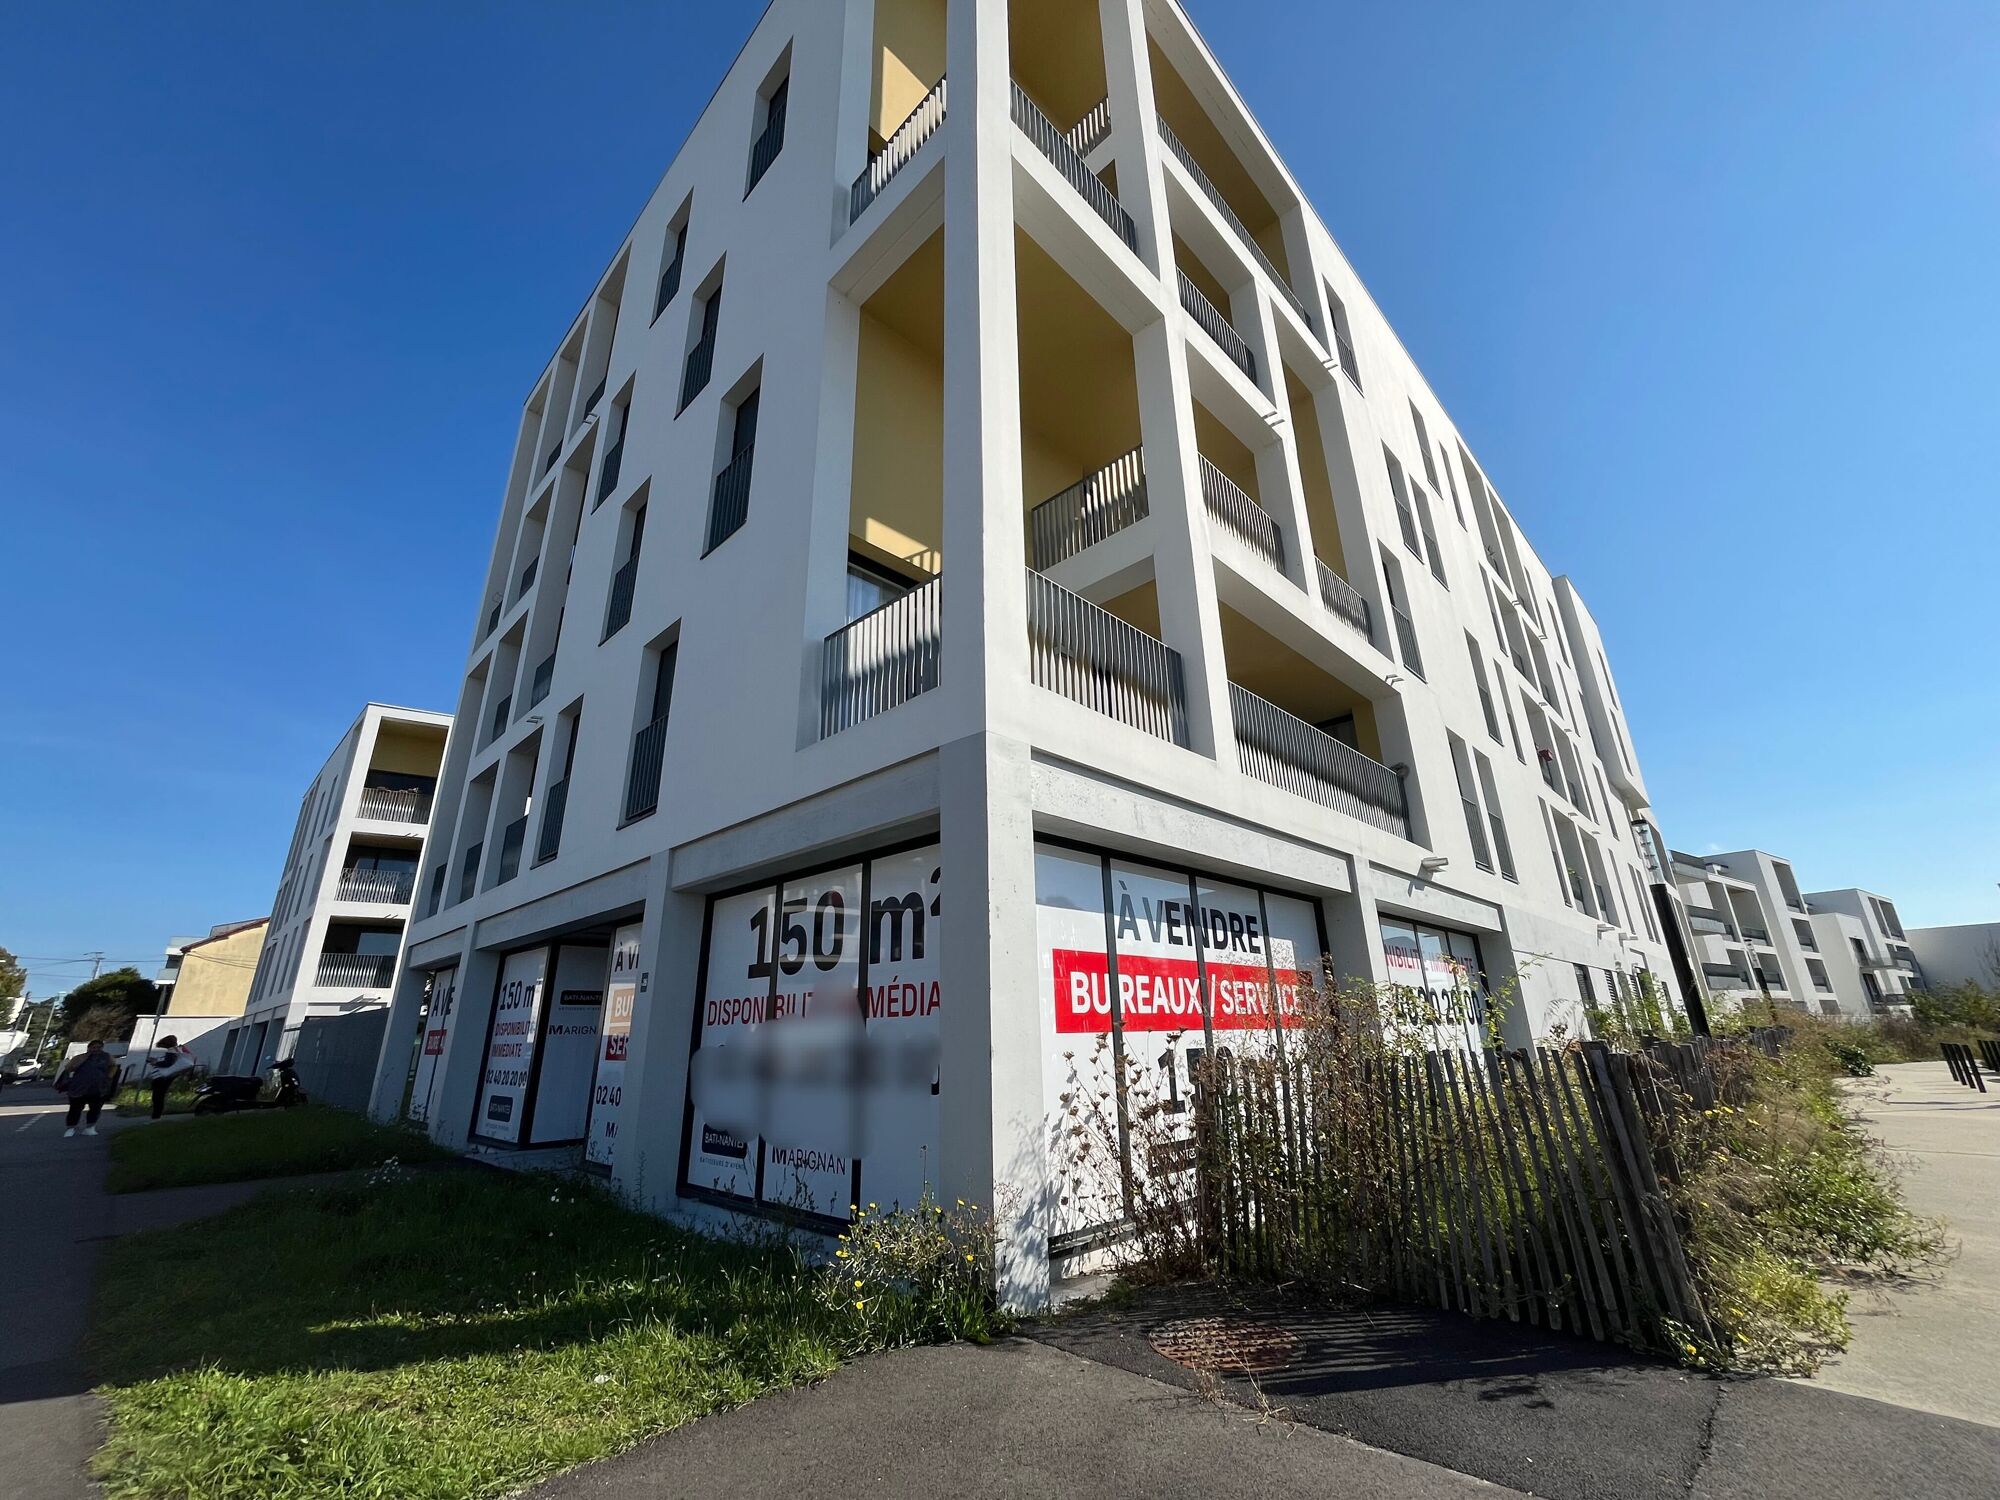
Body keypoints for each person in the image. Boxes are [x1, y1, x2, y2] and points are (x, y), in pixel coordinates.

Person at [54, 1040, 118, 1137]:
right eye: (93, 1047)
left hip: (98, 1087)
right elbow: (69, 1068)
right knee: (75, 1108)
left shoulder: (107, 1057)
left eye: (98, 1047)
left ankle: (90, 1127)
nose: (96, 1049)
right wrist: (78, 1063)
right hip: (78, 1087)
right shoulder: (80, 1057)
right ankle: (71, 1128)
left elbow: (113, 1067)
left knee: (95, 1108)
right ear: (89, 1048)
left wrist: (108, 1077)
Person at [141, 1034, 198, 1119]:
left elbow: (167, 1063)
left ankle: (156, 1116)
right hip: (171, 1076)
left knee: (157, 1096)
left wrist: (155, 1063)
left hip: (163, 1077)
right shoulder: (178, 1050)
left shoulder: (171, 1051)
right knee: (160, 1095)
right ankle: (157, 1115)